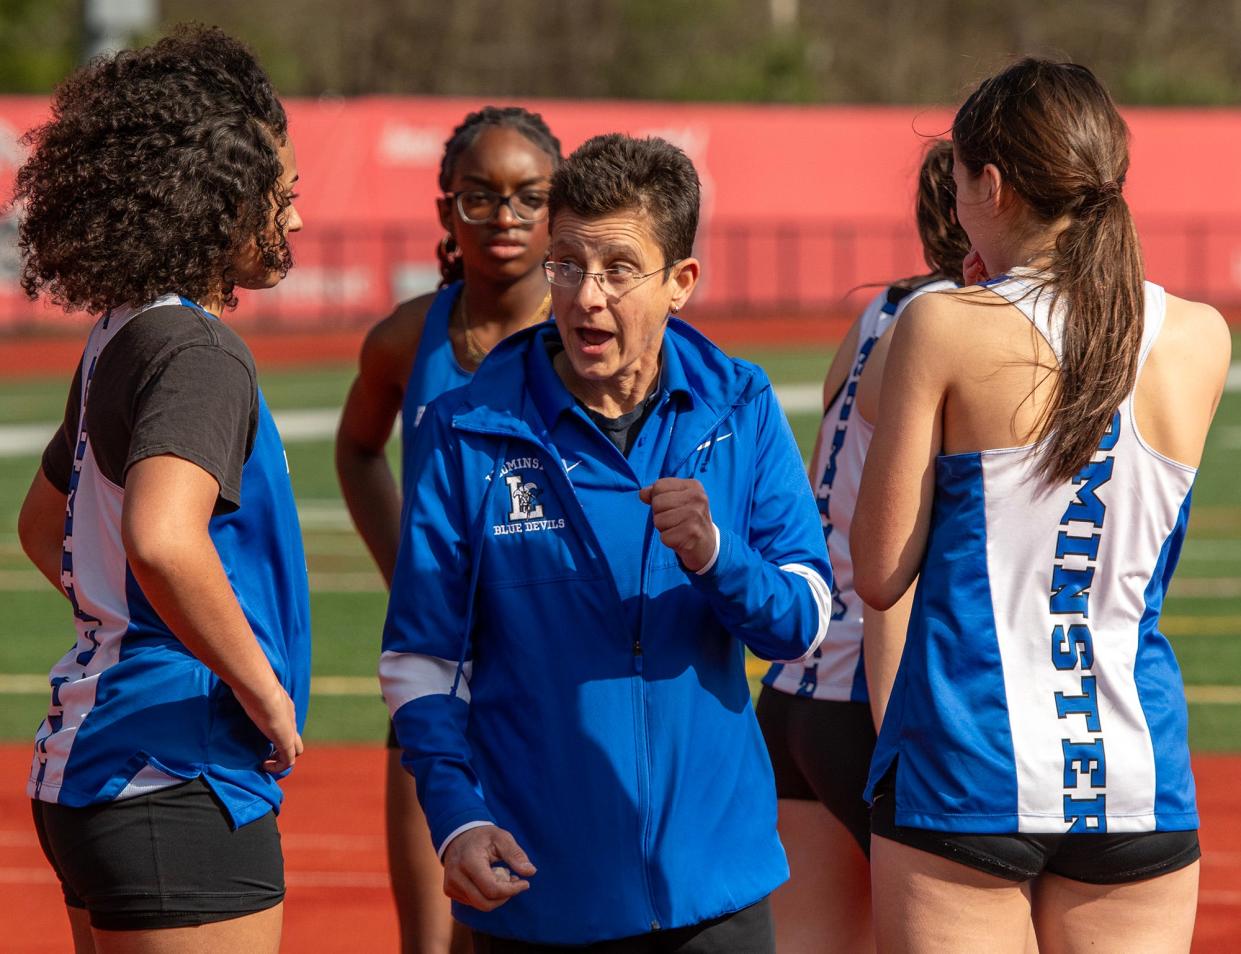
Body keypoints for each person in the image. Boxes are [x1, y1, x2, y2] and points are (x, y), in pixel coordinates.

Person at [378, 132, 833, 951]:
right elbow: (420, 662)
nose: (587, 297)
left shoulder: (740, 407)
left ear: (679, 283)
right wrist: (454, 817)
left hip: (716, 889)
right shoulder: (467, 432)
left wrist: (715, 556)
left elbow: (801, 623)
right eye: (567, 265)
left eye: (619, 269)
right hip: (536, 890)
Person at [851, 58, 1229, 953]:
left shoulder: (939, 323)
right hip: (1137, 777)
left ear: (990, 183)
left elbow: (877, 570)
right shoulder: (1199, 335)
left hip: (965, 767)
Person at [14, 27, 309, 954]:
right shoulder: (201, 351)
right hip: (177, 772)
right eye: (280, 198)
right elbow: (163, 537)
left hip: (92, 766)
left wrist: (126, 626)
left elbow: (39, 524)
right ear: (215, 200)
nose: (294, 223)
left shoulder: (122, 333)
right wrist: (259, 687)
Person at [336, 105, 561, 954]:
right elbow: (357, 451)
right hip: (438, 673)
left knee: (544, 925)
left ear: (557, 208)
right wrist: (410, 575)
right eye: (479, 197)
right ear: (444, 210)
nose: (503, 217)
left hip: (554, 669)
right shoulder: (406, 336)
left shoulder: (588, 340)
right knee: (432, 939)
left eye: (527, 198)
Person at [755, 138, 968, 954]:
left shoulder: (879, 310)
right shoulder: (962, 332)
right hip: (875, 701)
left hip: (794, 695)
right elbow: (902, 559)